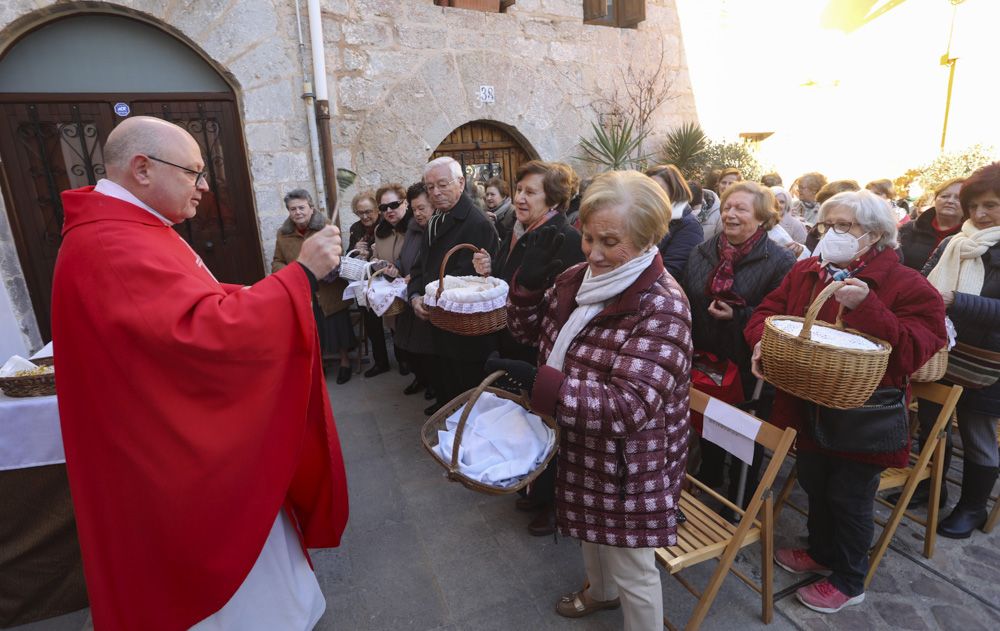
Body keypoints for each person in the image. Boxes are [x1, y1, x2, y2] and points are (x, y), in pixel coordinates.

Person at [50, 116, 349, 630]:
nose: (205, 186)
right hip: (172, 462)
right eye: (194, 172)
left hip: (167, 443)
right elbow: (201, 334)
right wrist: (299, 276)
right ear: (142, 169)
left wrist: (258, 295)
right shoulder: (108, 243)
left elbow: (192, 306)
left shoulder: (130, 229)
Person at [489, 170, 692, 630]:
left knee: (633, 566)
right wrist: (524, 291)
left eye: (610, 241)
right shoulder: (578, 278)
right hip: (581, 437)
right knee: (588, 530)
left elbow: (630, 405)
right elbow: (527, 333)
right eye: (588, 238)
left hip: (632, 462)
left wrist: (543, 384)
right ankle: (600, 594)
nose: (594, 254)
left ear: (646, 240)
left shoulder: (662, 305)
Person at [746, 190, 946, 614]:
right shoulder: (808, 271)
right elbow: (768, 312)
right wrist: (762, 342)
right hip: (808, 403)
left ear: (874, 235)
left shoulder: (908, 285)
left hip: (864, 416)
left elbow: (914, 352)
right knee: (815, 482)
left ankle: (851, 578)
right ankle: (821, 551)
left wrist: (868, 306)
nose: (830, 233)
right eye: (826, 224)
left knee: (850, 497)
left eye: (844, 226)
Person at [471, 160, 584, 536]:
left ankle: (554, 506)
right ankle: (537, 490)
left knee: (549, 426)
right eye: (518, 189)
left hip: (543, 348)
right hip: (516, 338)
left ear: (552, 199)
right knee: (529, 421)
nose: (519, 197)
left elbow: (561, 302)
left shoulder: (561, 236)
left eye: (530, 192)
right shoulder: (518, 229)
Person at [681, 181, 795, 505]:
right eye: (727, 207)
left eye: (740, 209)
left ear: (762, 217)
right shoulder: (702, 252)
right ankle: (712, 472)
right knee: (707, 420)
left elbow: (779, 318)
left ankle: (740, 496)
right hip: (704, 354)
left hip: (747, 363)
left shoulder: (779, 262)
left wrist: (738, 314)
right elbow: (686, 295)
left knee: (742, 432)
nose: (730, 214)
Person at [920, 163, 1000, 538]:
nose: (980, 214)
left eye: (991, 205)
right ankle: (932, 489)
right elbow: (924, 280)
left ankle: (972, 508)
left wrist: (957, 301)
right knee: (931, 425)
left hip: (989, 363)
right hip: (941, 352)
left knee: (976, 433)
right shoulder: (953, 242)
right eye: (975, 206)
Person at [408, 157, 500, 416]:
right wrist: (415, 295)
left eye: (442, 184)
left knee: (469, 402)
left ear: (460, 183)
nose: (435, 192)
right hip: (440, 328)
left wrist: (430, 298)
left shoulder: (478, 224)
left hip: (465, 335)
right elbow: (420, 266)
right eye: (430, 187)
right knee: (448, 390)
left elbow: (474, 285)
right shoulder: (435, 219)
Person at [273, 189, 356, 384]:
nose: (298, 212)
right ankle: (321, 365)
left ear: (311, 208)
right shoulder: (283, 234)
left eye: (301, 207)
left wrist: (321, 267)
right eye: (293, 209)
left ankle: (345, 362)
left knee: (338, 326)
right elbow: (277, 261)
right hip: (302, 291)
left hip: (328, 289)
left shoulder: (325, 226)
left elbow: (336, 254)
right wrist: (293, 272)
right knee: (312, 329)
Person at [394, 182, 437, 400]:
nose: (417, 213)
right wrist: (398, 268)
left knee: (427, 350)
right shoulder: (411, 229)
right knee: (409, 348)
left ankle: (434, 386)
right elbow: (405, 258)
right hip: (410, 294)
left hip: (427, 297)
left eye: (422, 208)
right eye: (414, 209)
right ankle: (420, 378)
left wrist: (417, 278)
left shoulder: (437, 231)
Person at [364, 183, 412, 378]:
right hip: (389, 288)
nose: (389, 211)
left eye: (394, 205)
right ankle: (402, 361)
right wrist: (375, 261)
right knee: (393, 327)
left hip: (410, 286)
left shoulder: (414, 227)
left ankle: (415, 369)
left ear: (405, 203)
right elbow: (377, 255)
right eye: (384, 208)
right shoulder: (379, 231)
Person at [348, 190, 391, 377]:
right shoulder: (355, 228)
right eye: (360, 212)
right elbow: (349, 254)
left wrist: (375, 253)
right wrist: (356, 250)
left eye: (368, 211)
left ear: (377, 210)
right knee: (372, 324)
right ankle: (381, 362)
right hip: (366, 282)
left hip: (387, 278)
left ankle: (404, 361)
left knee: (394, 320)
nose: (365, 216)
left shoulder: (387, 224)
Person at [645, 164, 704, 278]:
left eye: (658, 190)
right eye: (647, 189)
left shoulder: (689, 226)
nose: (651, 195)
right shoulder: (639, 217)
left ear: (674, 192)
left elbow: (673, 271)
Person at [898, 178, 965, 271]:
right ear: (935, 199)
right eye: (944, 196)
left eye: (958, 198)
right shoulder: (909, 229)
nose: (950, 201)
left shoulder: (971, 238)